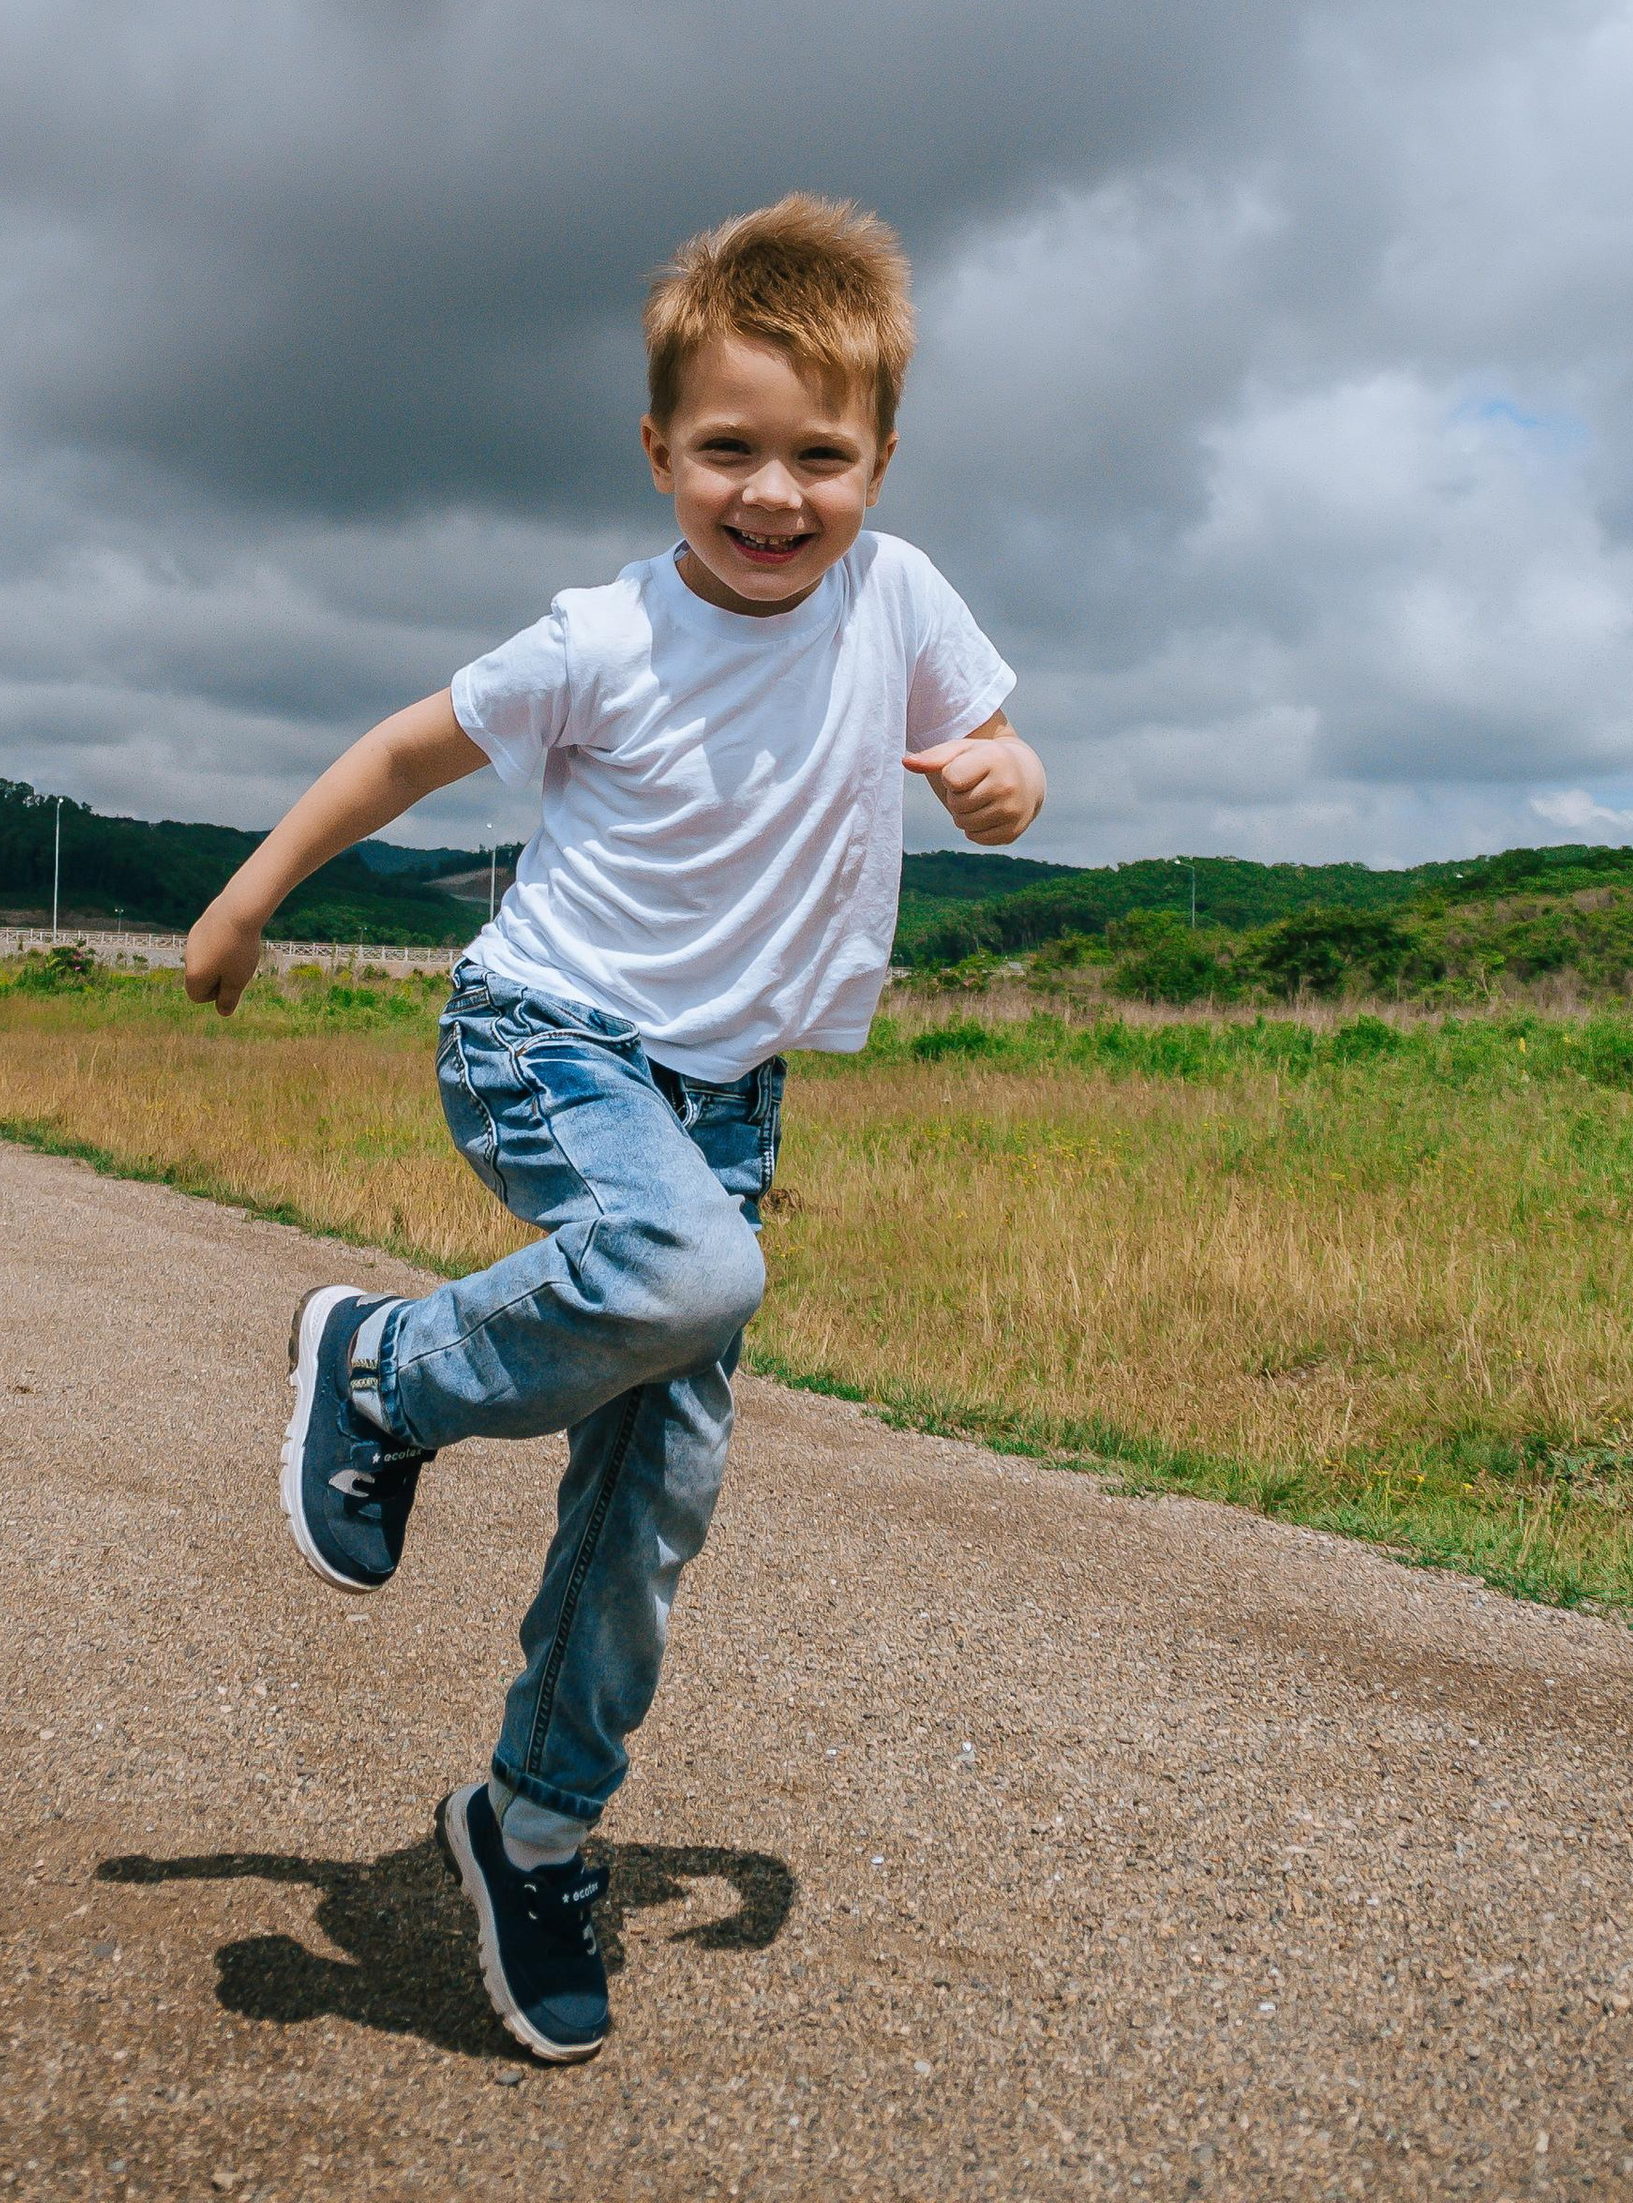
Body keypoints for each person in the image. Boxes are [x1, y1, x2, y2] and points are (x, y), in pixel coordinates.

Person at [182, 193, 1044, 2060]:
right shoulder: (601, 637)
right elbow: (411, 752)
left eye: (820, 456)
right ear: (660, 451)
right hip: (548, 1041)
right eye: (729, 448)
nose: (772, 493)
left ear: (878, 463)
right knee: (686, 1262)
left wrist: (1000, 782)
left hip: (723, 1107)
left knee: (654, 1497)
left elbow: (1007, 746)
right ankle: (389, 1370)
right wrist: (255, 895)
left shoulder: (900, 598)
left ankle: (538, 1826)